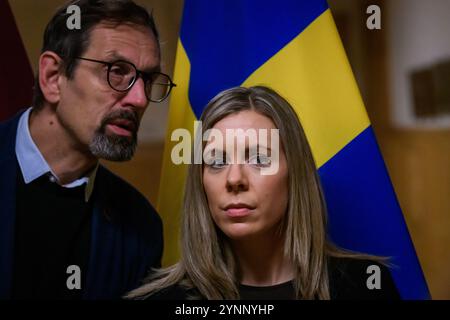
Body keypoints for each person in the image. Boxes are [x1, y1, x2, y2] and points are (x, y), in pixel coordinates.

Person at [127, 86, 400, 300]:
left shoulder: (366, 285)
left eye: (258, 159)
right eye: (217, 162)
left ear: (294, 174)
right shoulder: (160, 298)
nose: (234, 179)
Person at [0, 0, 176, 299]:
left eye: (147, 80)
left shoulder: (140, 227)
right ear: (53, 77)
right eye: (117, 71)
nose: (139, 99)